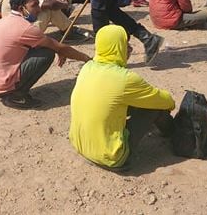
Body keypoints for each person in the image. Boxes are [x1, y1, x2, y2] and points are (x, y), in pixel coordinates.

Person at [69, 24, 175, 169]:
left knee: (127, 101)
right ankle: (175, 133)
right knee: (154, 107)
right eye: (126, 44)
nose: (130, 49)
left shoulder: (87, 68)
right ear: (117, 47)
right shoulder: (125, 79)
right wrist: (170, 105)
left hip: (80, 146)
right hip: (110, 158)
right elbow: (164, 101)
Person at [0, 0, 91, 109]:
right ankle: (16, 95)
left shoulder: (7, 20)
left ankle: (11, 90)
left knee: (45, 47)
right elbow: (58, 47)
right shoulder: (25, 28)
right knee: (46, 53)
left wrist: (60, 49)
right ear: (22, 9)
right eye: (34, 5)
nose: (38, 9)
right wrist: (86, 59)